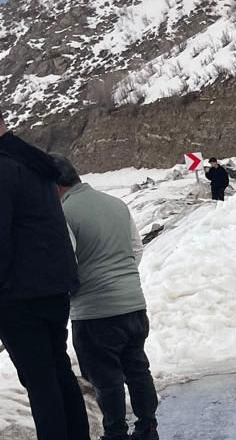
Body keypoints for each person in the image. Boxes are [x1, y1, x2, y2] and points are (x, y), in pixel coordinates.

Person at [50, 154, 159, 440]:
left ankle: (115, 433)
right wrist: (120, 279)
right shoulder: (116, 204)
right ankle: (148, 427)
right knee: (138, 369)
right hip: (133, 304)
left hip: (95, 311)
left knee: (106, 379)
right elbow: (135, 248)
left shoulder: (63, 212)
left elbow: (67, 262)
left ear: (54, 185)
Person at [0, 116, 90, 440]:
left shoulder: (4, 166)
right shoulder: (31, 160)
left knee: (40, 382)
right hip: (52, 286)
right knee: (57, 373)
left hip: (20, 293)